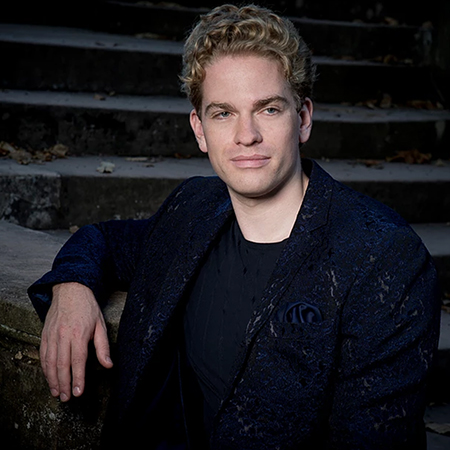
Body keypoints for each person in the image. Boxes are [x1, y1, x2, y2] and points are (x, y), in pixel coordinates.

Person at [28, 4, 441, 449]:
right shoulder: (192, 207)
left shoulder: (384, 258)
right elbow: (104, 240)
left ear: (302, 118)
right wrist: (72, 288)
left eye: (268, 109)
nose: (246, 135)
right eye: (223, 113)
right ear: (199, 129)